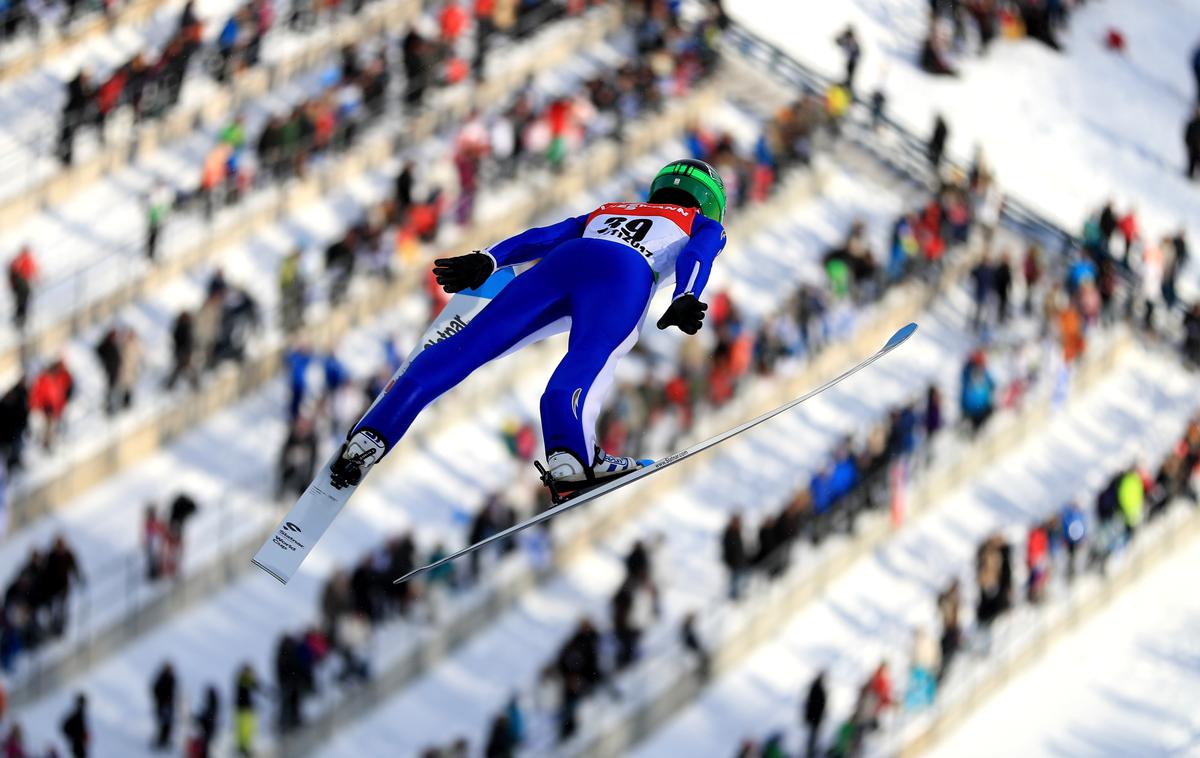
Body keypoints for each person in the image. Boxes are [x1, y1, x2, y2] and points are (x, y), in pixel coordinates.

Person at [329, 160, 729, 499]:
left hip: (565, 260)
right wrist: (686, 294)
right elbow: (699, 251)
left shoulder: (612, 208)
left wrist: (491, 258)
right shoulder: (701, 222)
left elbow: (545, 236)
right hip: (625, 273)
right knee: (590, 354)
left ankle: (372, 433)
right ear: (711, 202)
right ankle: (570, 455)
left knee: (470, 343)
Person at [151, 662, 177, 750]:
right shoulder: (162, 678)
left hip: (169, 705)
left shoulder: (171, 678)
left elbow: (172, 693)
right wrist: (160, 700)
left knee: (168, 725)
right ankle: (160, 741)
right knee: (163, 724)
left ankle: (165, 741)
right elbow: (155, 690)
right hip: (163, 705)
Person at [802, 670, 827, 757]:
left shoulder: (816, 688)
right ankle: (810, 752)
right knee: (812, 736)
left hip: (815, 718)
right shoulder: (818, 688)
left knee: (813, 736)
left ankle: (811, 751)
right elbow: (813, 704)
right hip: (815, 718)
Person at [60, 693, 88, 758]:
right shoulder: (77, 714)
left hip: (79, 744)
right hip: (77, 745)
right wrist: (75, 737)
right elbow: (65, 727)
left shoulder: (79, 714)